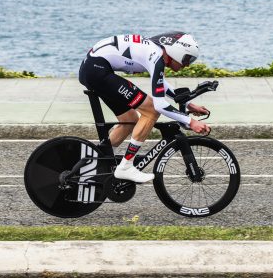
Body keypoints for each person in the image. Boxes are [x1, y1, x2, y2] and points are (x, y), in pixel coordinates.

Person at [78, 32, 211, 183]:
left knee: (130, 119)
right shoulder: (156, 56)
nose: (187, 64)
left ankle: (98, 162)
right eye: (187, 59)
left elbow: (160, 85)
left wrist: (188, 104)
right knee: (151, 111)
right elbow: (159, 105)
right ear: (177, 51)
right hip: (97, 71)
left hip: (94, 69)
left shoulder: (155, 52)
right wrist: (191, 122)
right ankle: (126, 167)